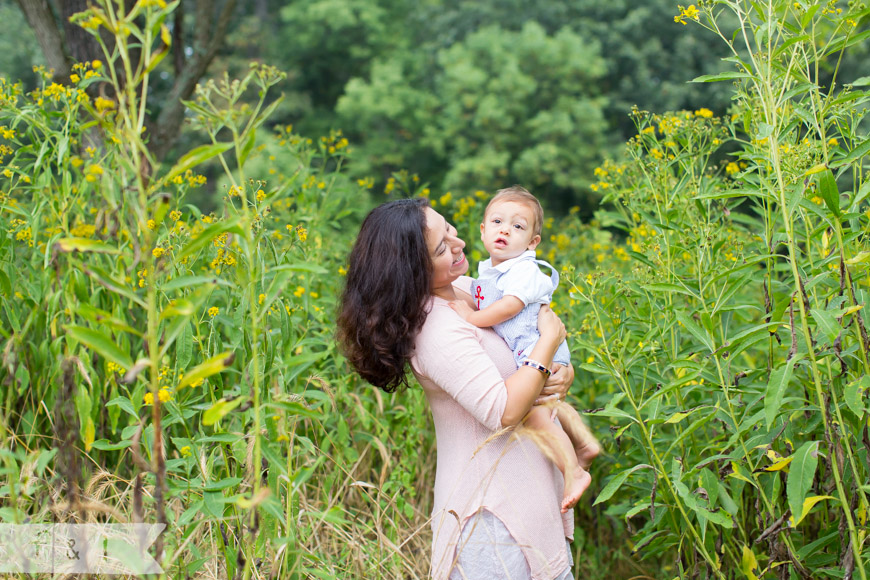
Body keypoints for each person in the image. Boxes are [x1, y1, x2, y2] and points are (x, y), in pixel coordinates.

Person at [337, 198, 581, 579]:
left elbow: (529, 330)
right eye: (441, 247)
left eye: (450, 229)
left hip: (531, 499)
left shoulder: (474, 289)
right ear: (412, 271)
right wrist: (548, 345)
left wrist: (561, 368)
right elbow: (505, 411)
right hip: (493, 522)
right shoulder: (436, 330)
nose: (459, 243)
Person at [448, 186, 600, 512]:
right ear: (483, 230)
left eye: (518, 226)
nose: (505, 229)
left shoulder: (522, 270)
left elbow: (509, 307)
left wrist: (473, 317)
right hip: (535, 347)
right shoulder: (490, 270)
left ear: (532, 242)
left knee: (534, 412)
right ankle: (585, 444)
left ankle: (573, 471)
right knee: (548, 401)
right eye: (498, 221)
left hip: (536, 348)